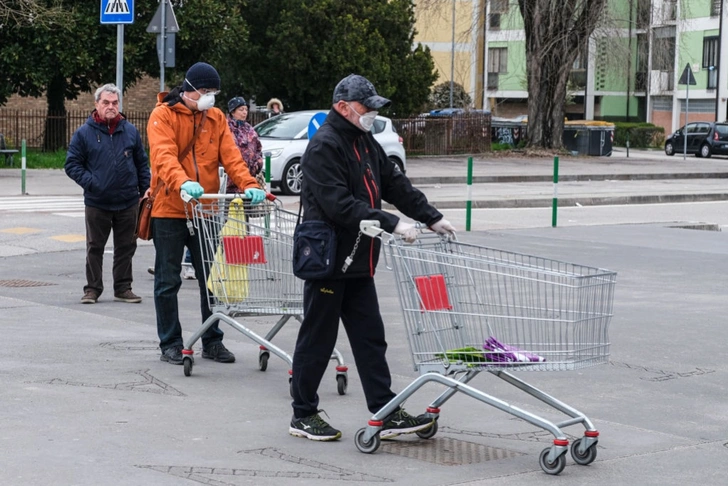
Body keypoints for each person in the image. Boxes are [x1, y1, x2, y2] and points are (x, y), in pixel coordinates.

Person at [289, 74, 457, 441]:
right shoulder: (323, 147)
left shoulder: (363, 141)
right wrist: (392, 222)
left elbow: (394, 183)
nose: (371, 115)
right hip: (329, 258)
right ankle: (302, 414)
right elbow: (339, 205)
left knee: (370, 337)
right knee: (318, 338)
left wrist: (431, 216)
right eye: (366, 109)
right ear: (343, 107)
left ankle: (385, 409)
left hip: (360, 257)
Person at [146, 62, 267, 365]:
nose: (210, 97)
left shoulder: (215, 118)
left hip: (207, 209)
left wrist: (249, 184)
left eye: (214, 92)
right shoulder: (163, 115)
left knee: (210, 280)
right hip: (171, 208)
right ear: (188, 89)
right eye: (206, 91)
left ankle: (212, 340)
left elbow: (232, 157)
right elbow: (163, 156)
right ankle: (170, 342)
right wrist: (183, 181)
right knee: (167, 280)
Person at [65, 83, 150, 305]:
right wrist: (92, 183)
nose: (111, 107)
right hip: (97, 202)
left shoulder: (130, 131)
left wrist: (144, 191)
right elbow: (72, 165)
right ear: (97, 104)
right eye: (106, 102)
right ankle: (92, 289)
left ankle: (123, 288)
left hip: (128, 202)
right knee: (95, 248)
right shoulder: (84, 133)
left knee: (126, 247)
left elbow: (142, 164)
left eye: (114, 103)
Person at [226, 96, 264, 193]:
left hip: (249, 179)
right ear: (232, 111)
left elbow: (258, 149)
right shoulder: (225, 127)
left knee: (247, 207)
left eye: (246, 110)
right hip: (230, 182)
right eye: (241, 109)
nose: (244, 112)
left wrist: (257, 165)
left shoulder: (249, 129)